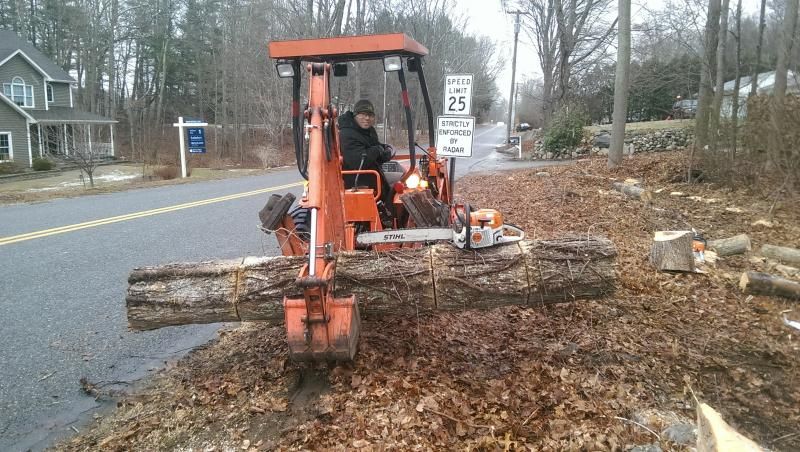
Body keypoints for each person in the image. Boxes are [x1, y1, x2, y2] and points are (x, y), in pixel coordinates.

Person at [338, 99, 393, 205]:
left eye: (370, 115)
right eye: (363, 114)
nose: (367, 118)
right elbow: (357, 161)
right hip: (356, 183)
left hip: (372, 178)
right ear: (355, 115)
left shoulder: (369, 131)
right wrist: (378, 150)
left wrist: (385, 151)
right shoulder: (347, 133)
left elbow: (374, 149)